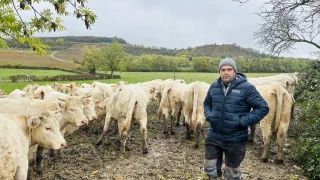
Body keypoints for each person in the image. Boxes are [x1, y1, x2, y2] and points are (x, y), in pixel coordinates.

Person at [203, 57, 269, 180]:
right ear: (219, 72)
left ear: (235, 71)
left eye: (229, 69)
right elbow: (206, 103)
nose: (226, 72)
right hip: (214, 136)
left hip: (235, 138)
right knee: (210, 167)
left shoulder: (247, 88)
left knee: (232, 172)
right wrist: (209, 115)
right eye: (223, 70)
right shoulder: (213, 87)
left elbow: (263, 108)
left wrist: (243, 121)